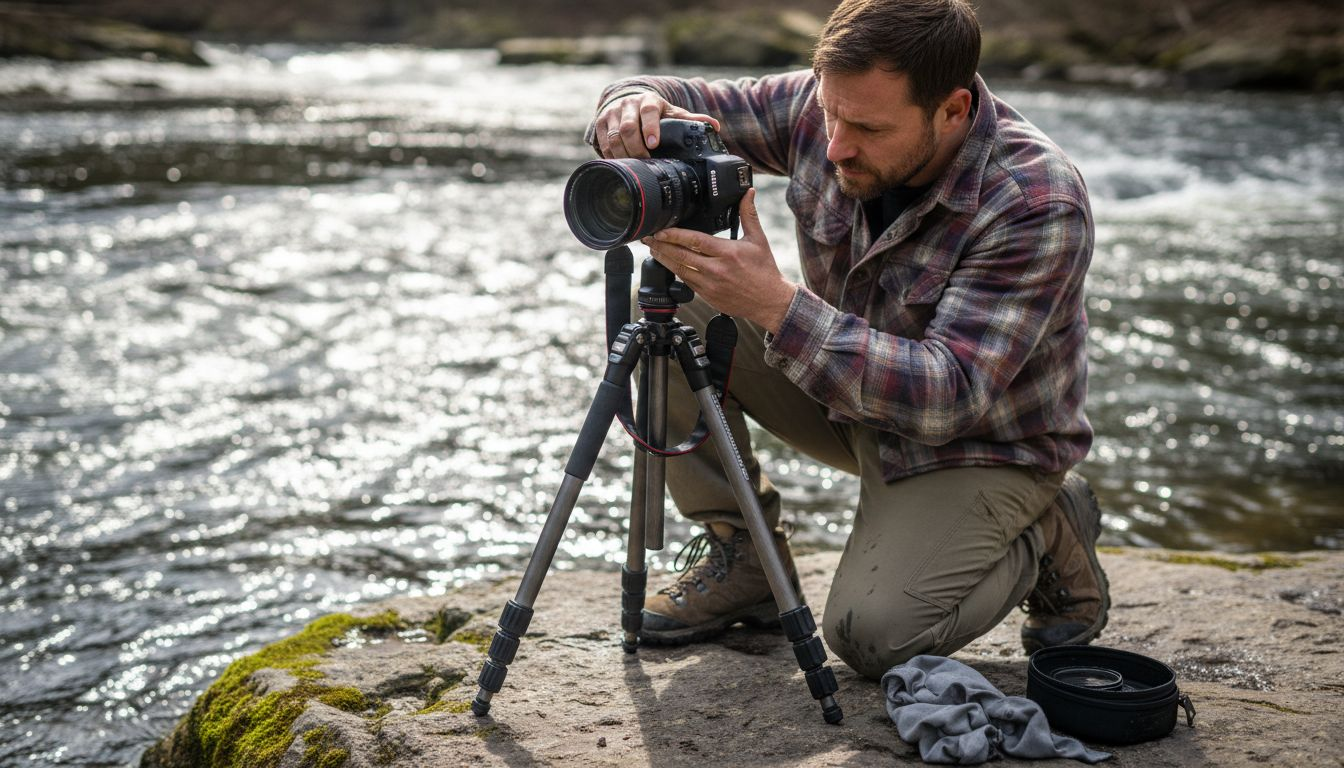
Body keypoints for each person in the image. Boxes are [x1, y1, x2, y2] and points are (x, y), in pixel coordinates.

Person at [585, 0, 1109, 679]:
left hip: (980, 442)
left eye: (865, 127)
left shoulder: (1035, 200)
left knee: (872, 637)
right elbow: (685, 100)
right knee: (668, 309)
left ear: (952, 110)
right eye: (830, 115)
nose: (834, 145)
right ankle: (745, 559)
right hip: (848, 394)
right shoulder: (828, 105)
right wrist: (629, 104)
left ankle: (1045, 524)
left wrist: (775, 304)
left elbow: (947, 397)